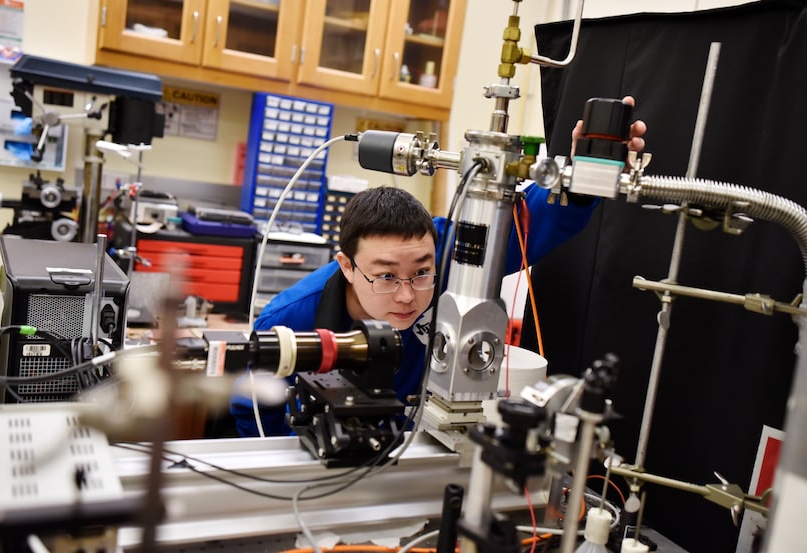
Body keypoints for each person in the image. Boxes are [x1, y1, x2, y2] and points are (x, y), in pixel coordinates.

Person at [231, 98, 647, 437]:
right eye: (386, 276)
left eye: (421, 272)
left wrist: (578, 179)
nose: (408, 294)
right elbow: (255, 416)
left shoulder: (451, 259)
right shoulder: (289, 322)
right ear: (347, 266)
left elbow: (531, 221)